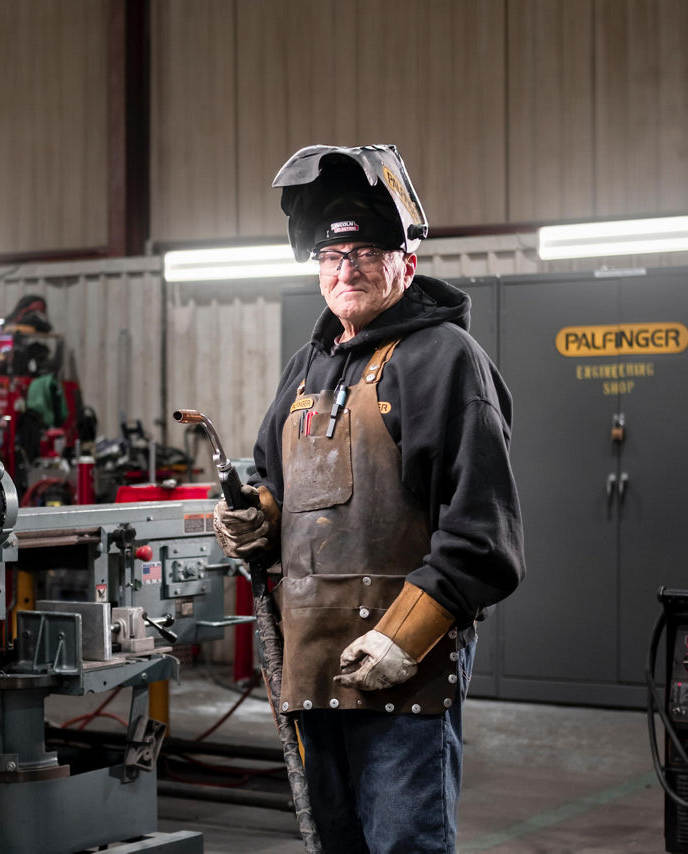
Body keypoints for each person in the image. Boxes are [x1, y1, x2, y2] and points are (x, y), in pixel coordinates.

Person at [213, 144, 525, 853]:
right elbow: (278, 483)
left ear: (406, 265)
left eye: (366, 253)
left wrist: (402, 639)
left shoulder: (445, 359)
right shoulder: (308, 366)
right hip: (310, 666)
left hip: (401, 671)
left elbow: (483, 537)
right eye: (331, 257)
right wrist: (257, 515)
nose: (346, 270)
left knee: (403, 843)